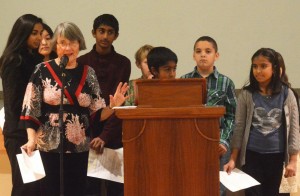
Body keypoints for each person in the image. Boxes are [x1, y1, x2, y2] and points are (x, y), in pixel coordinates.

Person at [20, 22, 129, 196]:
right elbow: (30, 110)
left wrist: (113, 106)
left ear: (80, 44)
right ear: (56, 45)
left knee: (77, 190)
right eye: (62, 42)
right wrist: (31, 140)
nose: (67, 48)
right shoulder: (42, 70)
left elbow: (98, 113)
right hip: (48, 146)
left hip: (80, 147)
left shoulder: (89, 72)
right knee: (50, 191)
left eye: (72, 42)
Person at [224, 48, 300, 196]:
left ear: (275, 68)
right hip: (252, 156)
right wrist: (233, 159)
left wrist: (293, 160)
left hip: (277, 157)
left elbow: (294, 129)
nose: (258, 70)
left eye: (263, 66)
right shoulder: (247, 94)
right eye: (255, 66)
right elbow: (239, 127)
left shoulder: (287, 93)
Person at [76, 14, 131, 196]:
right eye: (101, 31)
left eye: (110, 32)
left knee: (115, 188)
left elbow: (118, 104)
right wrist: (91, 135)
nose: (105, 36)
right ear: (93, 33)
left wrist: (106, 135)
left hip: (113, 133)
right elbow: (81, 104)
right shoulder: (82, 62)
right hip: (86, 134)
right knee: (88, 188)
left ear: (116, 35)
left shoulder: (123, 63)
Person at [180, 36, 237, 196]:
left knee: (217, 188)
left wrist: (224, 141)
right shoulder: (184, 81)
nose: (203, 55)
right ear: (193, 55)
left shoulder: (226, 83)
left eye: (208, 51)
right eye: (198, 51)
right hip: (191, 143)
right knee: (191, 185)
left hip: (217, 144)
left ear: (216, 56)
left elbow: (232, 116)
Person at [0, 14, 43, 196]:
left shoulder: (35, 58)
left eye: (41, 33)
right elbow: (13, 104)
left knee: (35, 186)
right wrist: (29, 132)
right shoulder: (13, 60)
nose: (39, 38)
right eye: (34, 33)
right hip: (19, 133)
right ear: (22, 33)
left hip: (32, 131)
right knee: (24, 186)